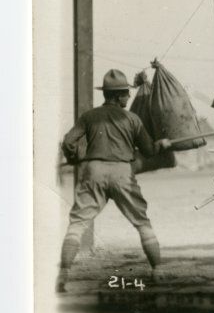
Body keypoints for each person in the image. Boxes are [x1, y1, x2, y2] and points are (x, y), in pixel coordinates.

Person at [57, 69, 170, 292]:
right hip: (122, 172)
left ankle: (63, 274)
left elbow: (68, 142)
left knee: (77, 224)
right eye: (126, 93)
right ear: (118, 96)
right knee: (142, 222)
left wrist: (74, 158)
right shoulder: (132, 119)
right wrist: (161, 145)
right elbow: (148, 151)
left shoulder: (89, 116)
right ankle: (158, 270)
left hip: (94, 171)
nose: (129, 96)